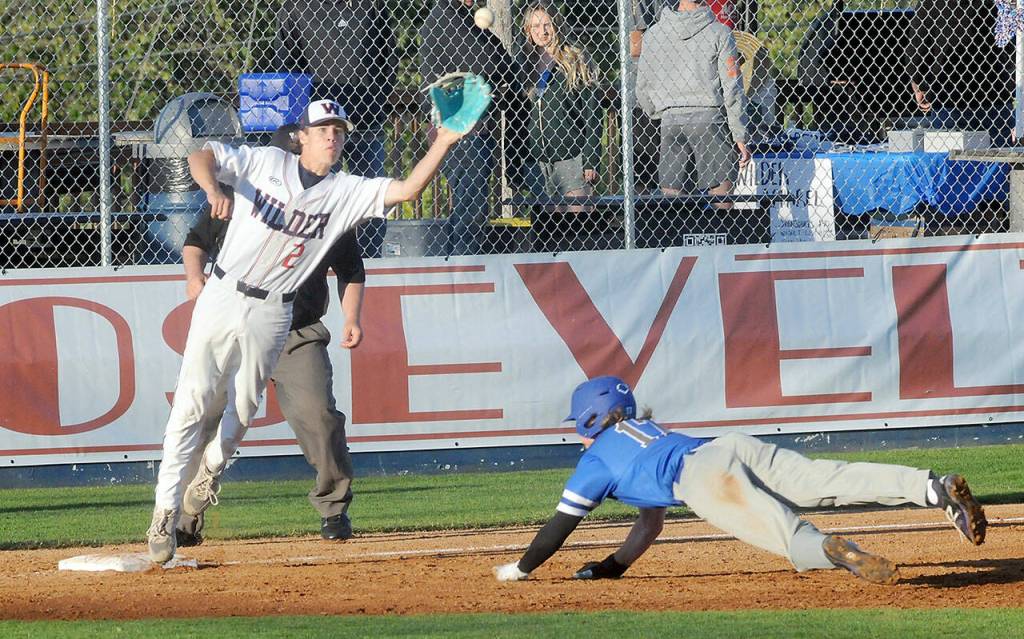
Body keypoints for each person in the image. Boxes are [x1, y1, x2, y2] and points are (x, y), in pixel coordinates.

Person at [146, 97, 474, 563]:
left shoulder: (346, 192)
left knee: (242, 411)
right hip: (222, 295)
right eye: (322, 128)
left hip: (275, 312)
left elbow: (406, 190)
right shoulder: (264, 161)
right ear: (301, 136)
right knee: (192, 404)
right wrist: (211, 188)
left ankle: (210, 471)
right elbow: (203, 155)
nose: (332, 135)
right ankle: (163, 514)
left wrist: (441, 143)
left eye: (338, 129)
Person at [493, 376, 988, 585]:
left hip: (706, 479)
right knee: (825, 478)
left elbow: (558, 529)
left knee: (791, 539)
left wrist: (520, 568)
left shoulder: (595, 463)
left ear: (590, 420)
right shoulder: (643, 429)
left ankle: (836, 551)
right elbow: (649, 526)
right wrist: (611, 568)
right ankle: (932, 487)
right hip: (725, 446)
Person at [171, 124, 364, 547]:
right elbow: (196, 240)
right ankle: (184, 519)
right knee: (204, 417)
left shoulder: (329, 206)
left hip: (297, 331)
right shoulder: (246, 194)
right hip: (238, 327)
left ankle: (333, 507)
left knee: (318, 415)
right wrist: (194, 276)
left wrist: (351, 317)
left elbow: (351, 269)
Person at [275, 0, 398, 258]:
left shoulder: (371, 6)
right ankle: (316, 261)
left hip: (366, 121)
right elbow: (285, 64)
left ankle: (369, 259)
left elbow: (389, 57)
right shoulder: (295, 7)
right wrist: (307, 120)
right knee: (316, 198)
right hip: (320, 129)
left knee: (371, 198)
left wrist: (377, 97)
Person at [418, 0, 518, 256]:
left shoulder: (465, 19)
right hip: (458, 131)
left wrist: (496, 57)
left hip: (469, 130)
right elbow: (483, 60)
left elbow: (506, 67)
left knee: (468, 205)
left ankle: (456, 266)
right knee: (471, 209)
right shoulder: (445, 16)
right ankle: (464, 269)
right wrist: (495, 59)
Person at [635, 0, 751, 207]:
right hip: (709, 119)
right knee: (721, 195)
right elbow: (732, 87)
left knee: (673, 200)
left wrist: (660, 111)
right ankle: (723, 233)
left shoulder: (653, 34)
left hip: (670, 120)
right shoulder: (719, 32)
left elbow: (642, 87)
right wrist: (739, 134)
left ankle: (678, 234)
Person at [518, 4, 601, 203]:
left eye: (547, 24)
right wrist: (514, 163)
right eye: (535, 26)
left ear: (557, 25)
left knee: (577, 225)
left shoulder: (575, 60)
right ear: (528, 30)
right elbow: (515, 118)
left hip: (571, 158)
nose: (542, 31)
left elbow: (593, 112)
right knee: (547, 230)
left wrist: (591, 158)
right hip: (535, 163)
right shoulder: (522, 65)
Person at [905, 0, 1013, 146]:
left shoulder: (931, 3)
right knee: (997, 160)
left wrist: (919, 84)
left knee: (950, 161)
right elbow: (1011, 45)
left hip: (948, 94)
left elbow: (916, 51)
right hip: (994, 92)